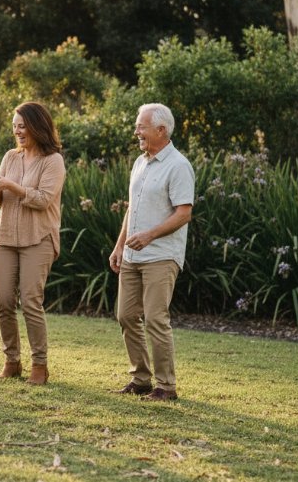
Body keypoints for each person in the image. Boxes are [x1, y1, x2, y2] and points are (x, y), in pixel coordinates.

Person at [108, 103, 194, 401]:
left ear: (161, 130)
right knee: (126, 315)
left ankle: (166, 386)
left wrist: (149, 235)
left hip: (161, 255)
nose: (137, 132)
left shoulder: (178, 166)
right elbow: (132, 208)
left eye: (141, 127)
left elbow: (184, 213)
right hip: (132, 255)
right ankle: (141, 379)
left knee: (156, 318)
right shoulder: (140, 163)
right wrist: (120, 245)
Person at [0, 101, 65, 386]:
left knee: (31, 301)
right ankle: (12, 361)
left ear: (37, 127)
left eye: (22, 126)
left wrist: (10, 185)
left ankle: (39, 365)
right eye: (15, 127)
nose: (17, 132)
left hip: (38, 238)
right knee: (3, 301)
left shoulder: (53, 160)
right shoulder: (10, 157)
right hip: (6, 236)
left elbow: (43, 199)